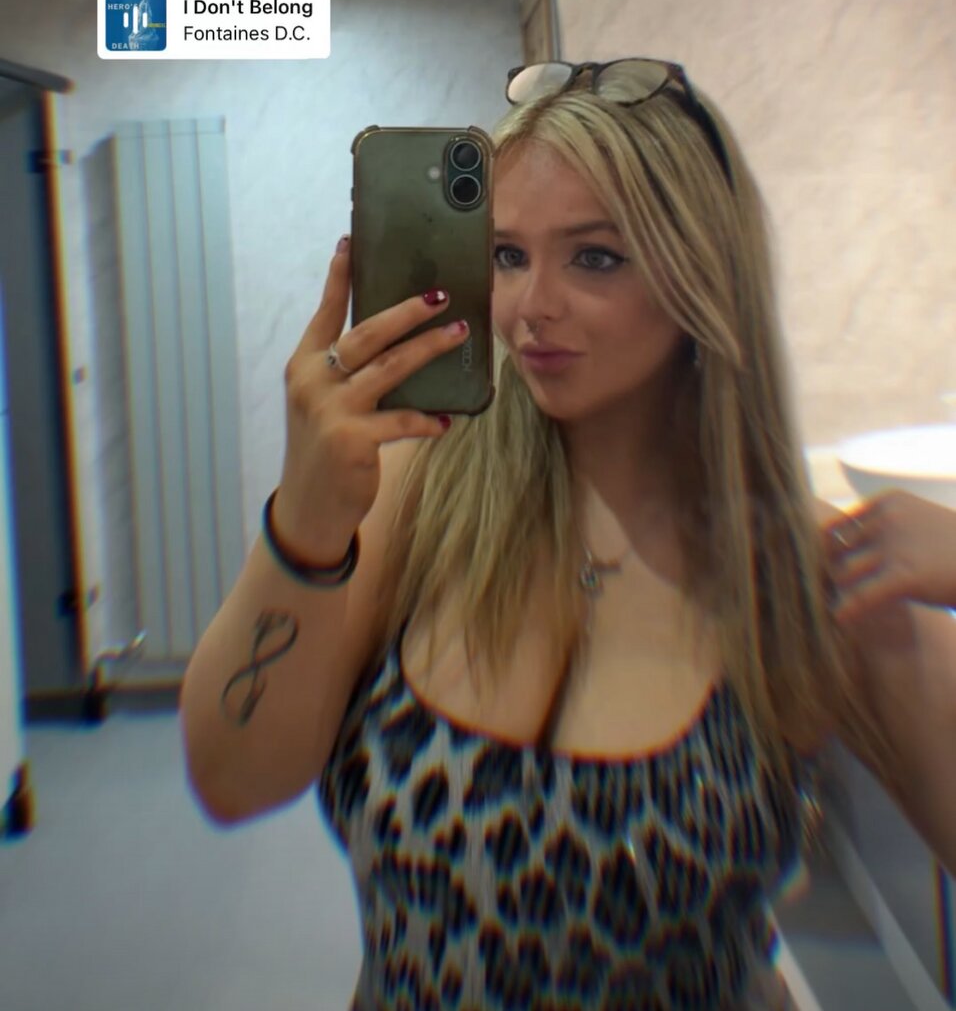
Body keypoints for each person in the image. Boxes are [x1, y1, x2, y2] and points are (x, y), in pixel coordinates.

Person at [179, 59, 956, 1010]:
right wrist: (303, 528)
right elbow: (232, 782)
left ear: (700, 271)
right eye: (507, 256)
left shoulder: (799, 567)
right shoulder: (415, 496)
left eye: (595, 258)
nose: (530, 307)